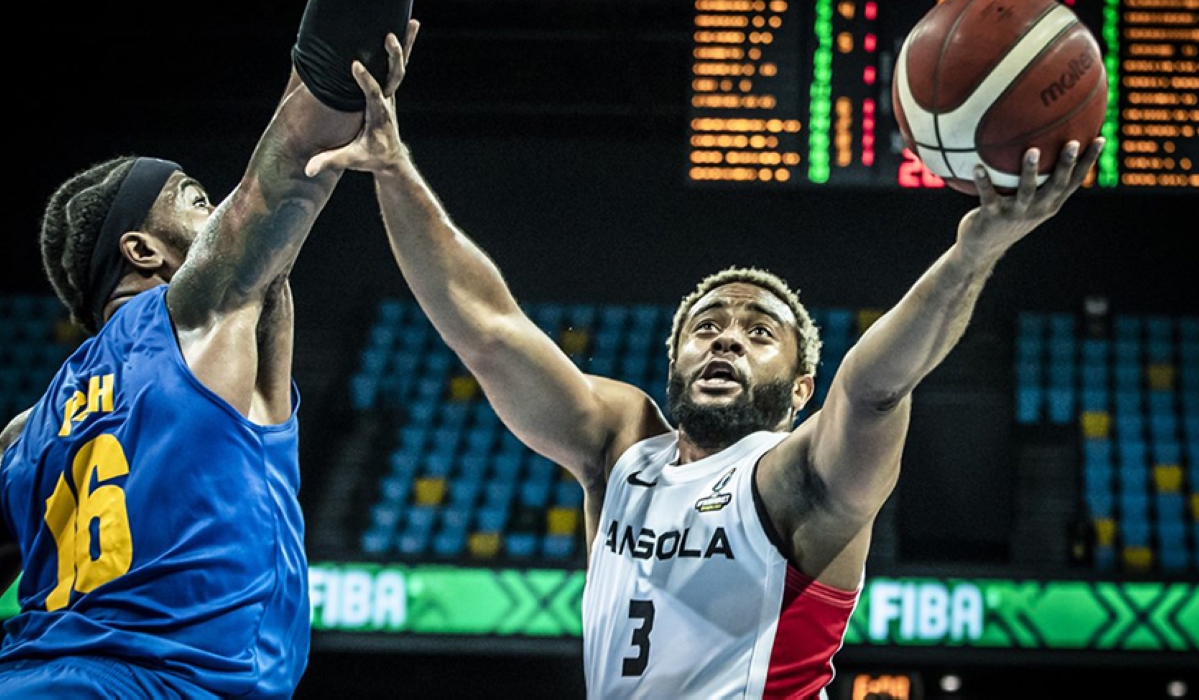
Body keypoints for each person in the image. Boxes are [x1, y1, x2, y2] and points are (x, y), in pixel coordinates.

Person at [307, 43, 1104, 698]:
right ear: (674, 359)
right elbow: (486, 330)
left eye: (758, 333)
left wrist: (973, 252)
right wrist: (394, 171)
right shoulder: (620, 444)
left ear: (799, 391)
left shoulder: (796, 482)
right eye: (707, 326)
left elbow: (873, 388)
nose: (725, 340)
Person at [0, 3, 418, 697]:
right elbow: (284, 168)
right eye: (195, 200)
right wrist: (351, 60)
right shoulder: (198, 312)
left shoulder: (24, 436)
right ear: (143, 250)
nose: (219, 212)